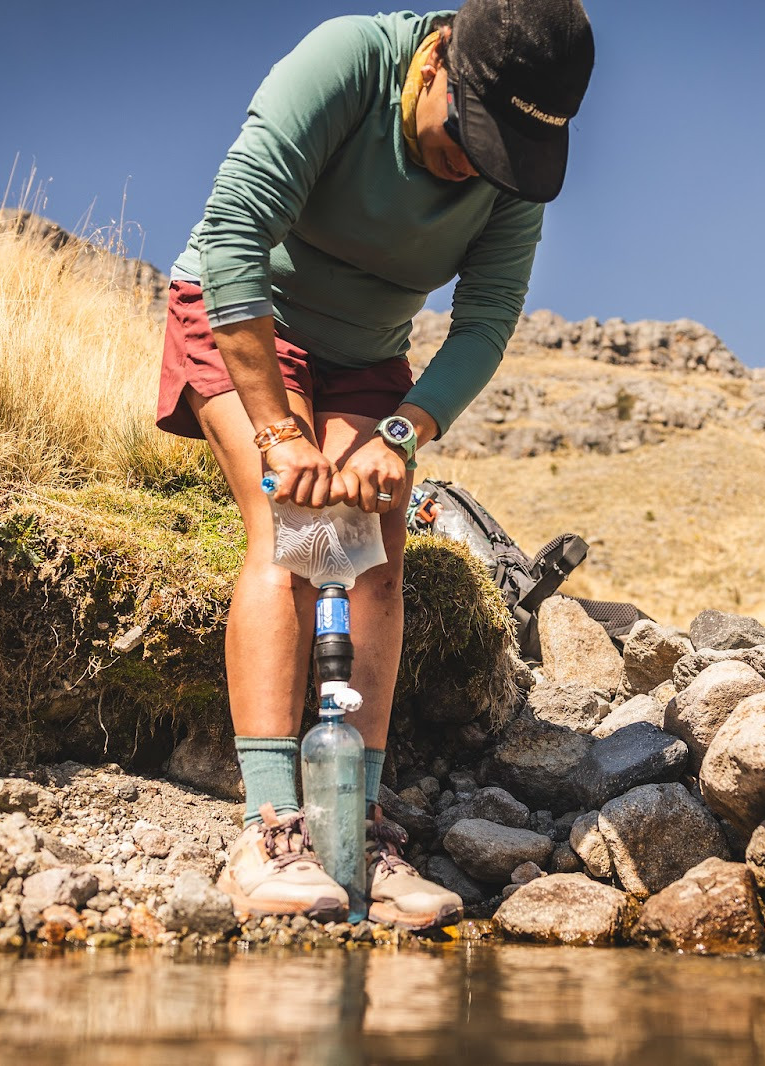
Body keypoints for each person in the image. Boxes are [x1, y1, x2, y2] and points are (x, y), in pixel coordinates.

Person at [157, 0, 594, 930]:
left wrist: (401, 437)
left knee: (373, 560)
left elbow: (483, 322)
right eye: (464, 138)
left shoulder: (514, 164)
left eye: (497, 157)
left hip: (365, 357)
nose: (474, 167)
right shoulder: (349, 59)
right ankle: (271, 830)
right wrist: (282, 435)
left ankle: (355, 829)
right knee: (299, 531)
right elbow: (234, 231)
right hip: (242, 312)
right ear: (436, 60)